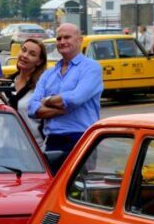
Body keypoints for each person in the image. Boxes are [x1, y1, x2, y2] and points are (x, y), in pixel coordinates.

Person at [28, 23, 103, 171]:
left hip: (81, 140)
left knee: (78, 191)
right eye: (59, 38)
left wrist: (47, 100)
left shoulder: (91, 68)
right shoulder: (48, 74)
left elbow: (76, 98)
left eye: (67, 37)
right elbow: (31, 108)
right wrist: (62, 109)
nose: (62, 42)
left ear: (79, 40)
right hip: (52, 142)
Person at [8, 39, 48, 149]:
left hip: (32, 151)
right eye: (23, 50)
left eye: (32, 54)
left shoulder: (42, 88)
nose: (25, 56)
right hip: (4, 149)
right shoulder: (6, 83)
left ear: (39, 61)